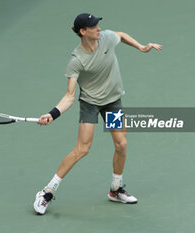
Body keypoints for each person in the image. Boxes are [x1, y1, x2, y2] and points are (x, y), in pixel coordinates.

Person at [33, 13, 162, 215]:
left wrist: (141, 47)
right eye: (94, 27)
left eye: (98, 25)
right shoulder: (76, 60)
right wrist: (52, 114)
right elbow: (69, 96)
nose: (99, 29)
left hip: (112, 102)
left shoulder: (107, 38)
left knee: (121, 144)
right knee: (82, 149)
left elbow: (121, 34)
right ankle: (47, 191)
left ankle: (115, 189)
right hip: (90, 104)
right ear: (83, 32)